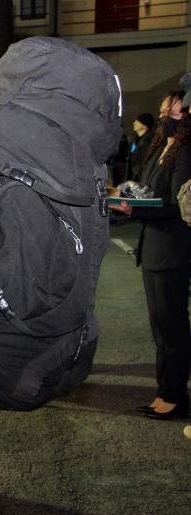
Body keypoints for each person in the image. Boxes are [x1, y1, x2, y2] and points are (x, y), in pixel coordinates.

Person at [112, 93, 191, 421]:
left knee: (171, 327)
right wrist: (127, 198)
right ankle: (166, 391)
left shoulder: (185, 151)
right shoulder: (165, 147)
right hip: (156, 246)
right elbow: (151, 192)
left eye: (172, 110)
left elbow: (177, 205)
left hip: (172, 249)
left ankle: (173, 396)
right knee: (162, 326)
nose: (166, 116)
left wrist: (138, 208)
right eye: (163, 110)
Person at [127, 112, 155, 182]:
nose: (134, 123)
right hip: (135, 175)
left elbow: (143, 161)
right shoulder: (136, 139)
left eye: (138, 121)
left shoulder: (147, 141)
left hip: (139, 177)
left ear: (145, 125)